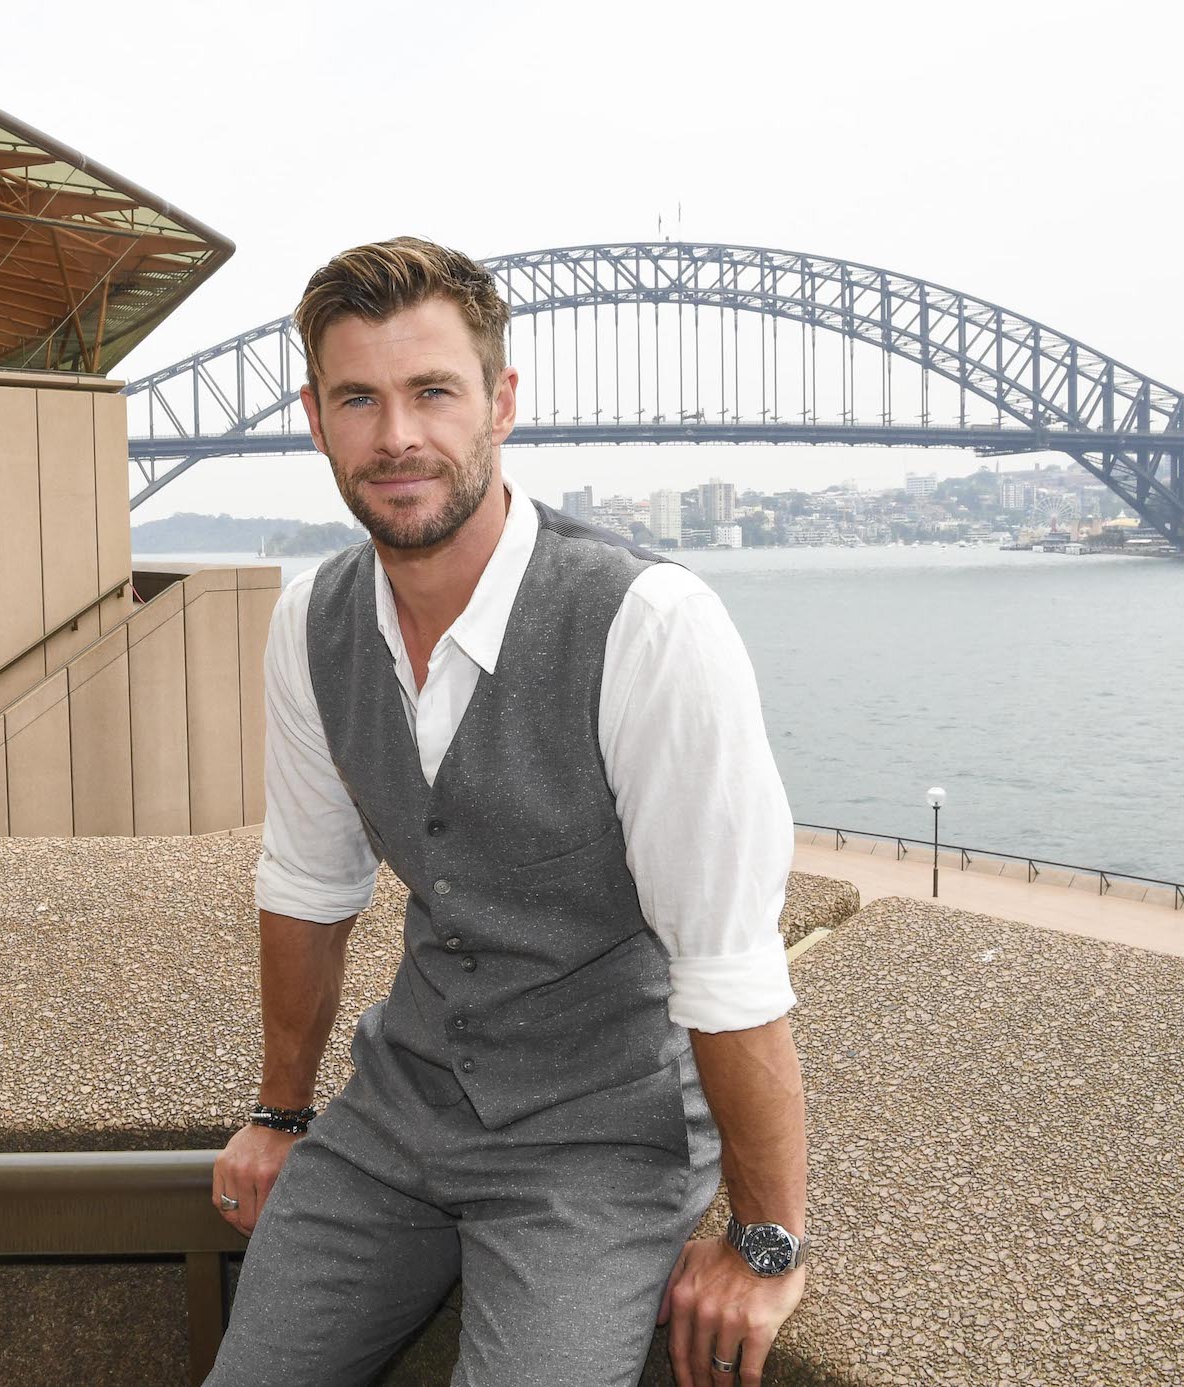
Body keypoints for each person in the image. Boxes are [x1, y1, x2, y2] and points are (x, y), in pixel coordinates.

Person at [205, 238, 809, 1387]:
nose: (397, 438)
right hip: (398, 1108)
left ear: (501, 403)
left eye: (433, 391)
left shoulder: (648, 627)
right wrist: (281, 1113)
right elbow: (308, 881)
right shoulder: (309, 621)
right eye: (359, 399)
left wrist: (765, 1237)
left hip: (596, 1143)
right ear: (315, 418)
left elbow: (728, 965)